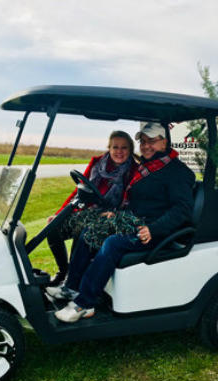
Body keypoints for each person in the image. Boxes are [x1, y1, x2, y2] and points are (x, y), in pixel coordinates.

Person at [51, 122, 196, 322]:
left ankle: (85, 303)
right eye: (143, 142)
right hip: (134, 221)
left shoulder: (177, 172)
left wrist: (153, 229)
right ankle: (73, 288)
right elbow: (139, 202)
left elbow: (182, 209)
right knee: (90, 231)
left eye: (152, 141)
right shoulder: (149, 166)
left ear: (164, 142)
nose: (146, 146)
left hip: (154, 230)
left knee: (112, 243)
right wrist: (116, 215)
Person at [46, 130, 138, 285]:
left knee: (86, 232)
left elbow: (132, 200)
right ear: (109, 148)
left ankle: (73, 281)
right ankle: (64, 271)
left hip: (112, 215)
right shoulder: (97, 163)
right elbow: (79, 190)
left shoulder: (134, 171)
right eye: (115, 147)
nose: (119, 152)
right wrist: (59, 214)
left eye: (124, 148)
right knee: (53, 227)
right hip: (90, 211)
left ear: (130, 150)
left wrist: (117, 213)